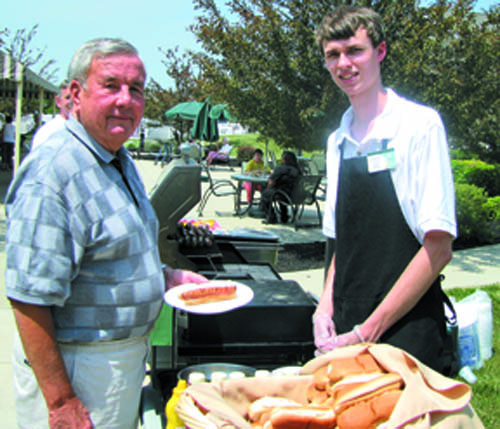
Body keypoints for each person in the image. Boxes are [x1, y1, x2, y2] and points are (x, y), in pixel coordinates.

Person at [4, 38, 207, 429]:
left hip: (114, 367)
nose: (125, 100)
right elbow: (29, 298)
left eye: (136, 89)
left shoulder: (115, 156)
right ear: (76, 93)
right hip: (79, 369)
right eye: (111, 85)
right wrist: (61, 401)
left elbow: (111, 251)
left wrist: (164, 277)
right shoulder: (53, 172)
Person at [313, 6, 457, 376]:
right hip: (347, 329)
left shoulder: (419, 126)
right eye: (333, 55)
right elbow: (340, 244)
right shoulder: (336, 142)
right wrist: (324, 310)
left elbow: (438, 248)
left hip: (407, 332)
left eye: (354, 51)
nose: (343, 63)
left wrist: (369, 330)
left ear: (380, 51)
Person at [259, 150, 301, 224]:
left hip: (283, 195)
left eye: (282, 158)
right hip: (296, 196)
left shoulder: (281, 169)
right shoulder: (298, 170)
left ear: (284, 160)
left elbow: (271, 182)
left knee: (265, 194)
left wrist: (268, 189)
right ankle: (284, 216)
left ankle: (271, 217)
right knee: (280, 192)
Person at [31, 80, 72, 150]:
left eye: (76, 97)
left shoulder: (86, 130)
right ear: (58, 101)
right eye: (68, 97)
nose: (72, 101)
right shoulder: (48, 131)